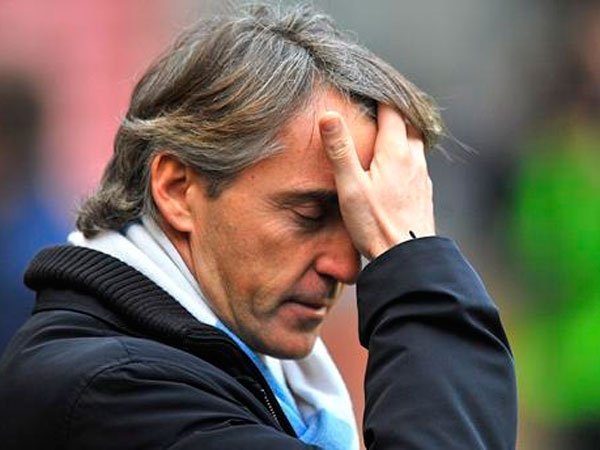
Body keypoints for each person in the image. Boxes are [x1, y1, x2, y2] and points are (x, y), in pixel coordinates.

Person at [0, 4, 516, 449]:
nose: (345, 266)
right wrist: (414, 263)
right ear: (177, 190)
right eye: (309, 214)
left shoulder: (239, 376)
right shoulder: (113, 393)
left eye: (359, 225)